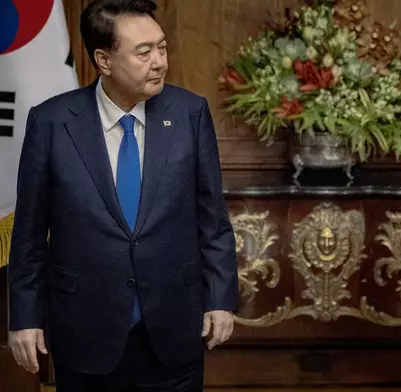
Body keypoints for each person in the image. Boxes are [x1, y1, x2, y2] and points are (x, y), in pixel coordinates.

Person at [8, 0, 239, 390]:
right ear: (104, 60)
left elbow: (212, 219)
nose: (160, 61)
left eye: (162, 47)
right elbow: (29, 235)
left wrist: (220, 298)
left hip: (172, 329)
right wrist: (25, 318)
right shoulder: (51, 122)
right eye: (143, 52)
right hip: (84, 329)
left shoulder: (189, 113)